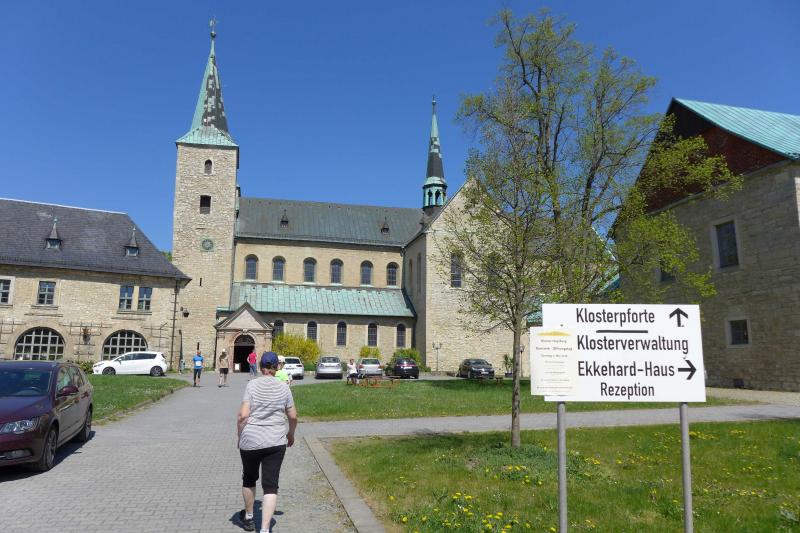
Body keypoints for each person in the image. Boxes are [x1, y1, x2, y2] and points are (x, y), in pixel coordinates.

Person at [237, 352, 297, 533]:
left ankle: (249, 517)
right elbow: (293, 416)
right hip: (275, 441)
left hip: (251, 439)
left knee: (249, 478)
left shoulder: (252, 385)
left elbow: (243, 416)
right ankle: (264, 529)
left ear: (260, 366)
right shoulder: (284, 387)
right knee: (271, 485)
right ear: (277, 367)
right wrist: (290, 434)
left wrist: (240, 436)